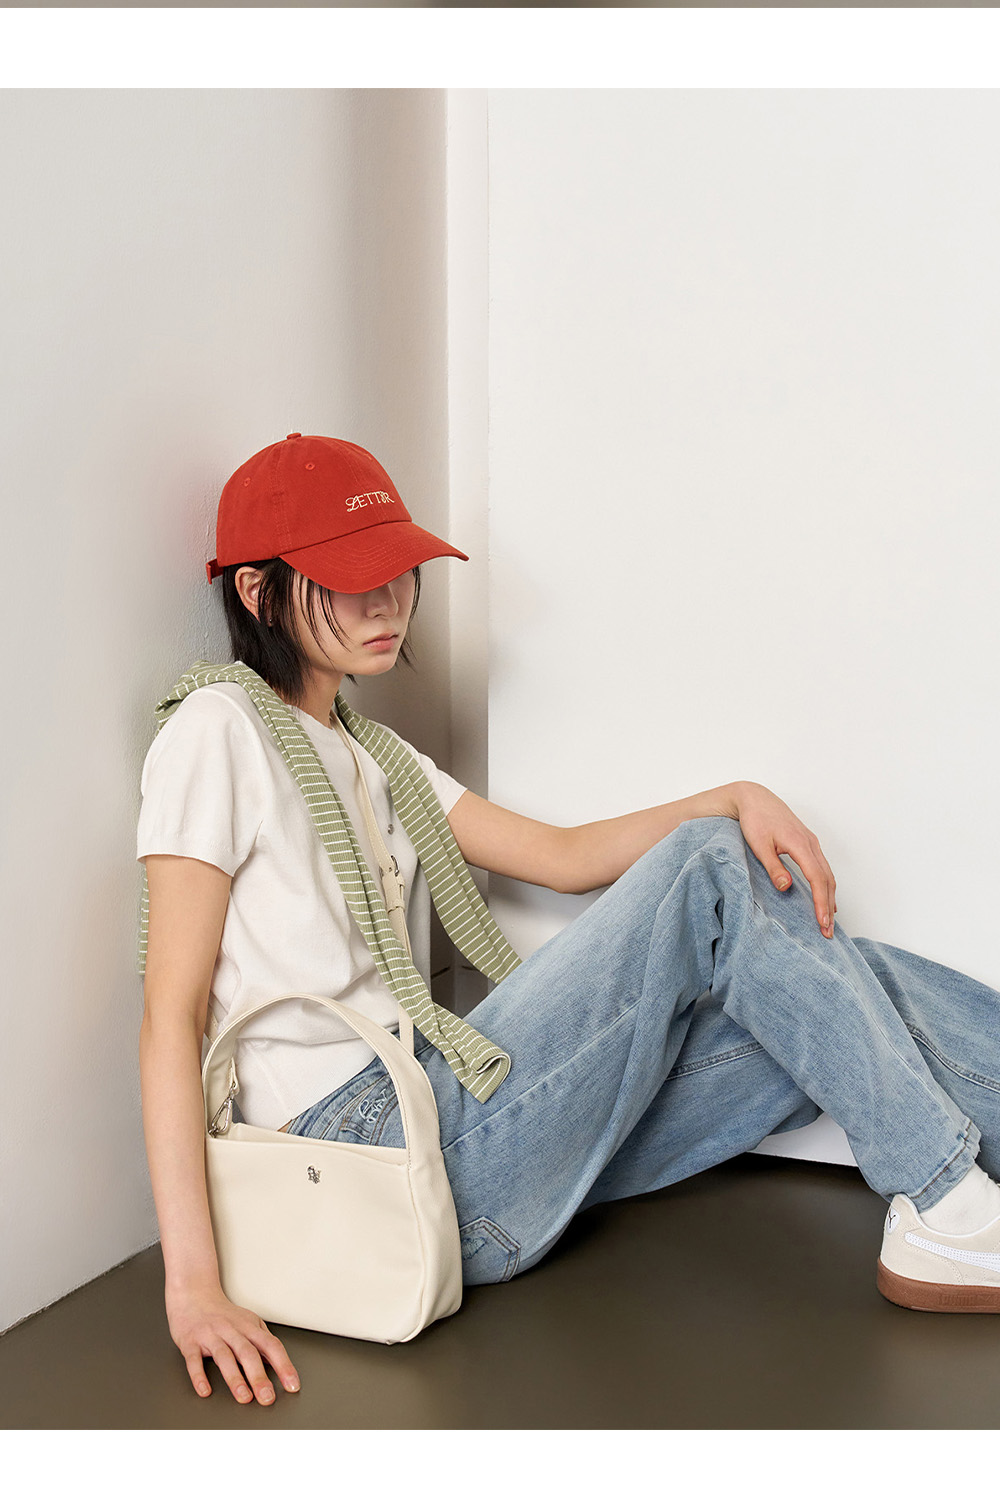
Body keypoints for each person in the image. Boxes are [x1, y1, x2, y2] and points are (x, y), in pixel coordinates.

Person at [138, 424, 1000, 1404]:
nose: (386, 603)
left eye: (397, 573)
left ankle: (961, 1219)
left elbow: (561, 856)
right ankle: (949, 1208)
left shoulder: (374, 757)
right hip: (359, 1152)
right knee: (717, 871)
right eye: (348, 579)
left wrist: (732, 794)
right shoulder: (217, 731)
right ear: (257, 592)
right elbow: (170, 1017)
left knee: (824, 992)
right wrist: (192, 1286)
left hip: (453, 1144)